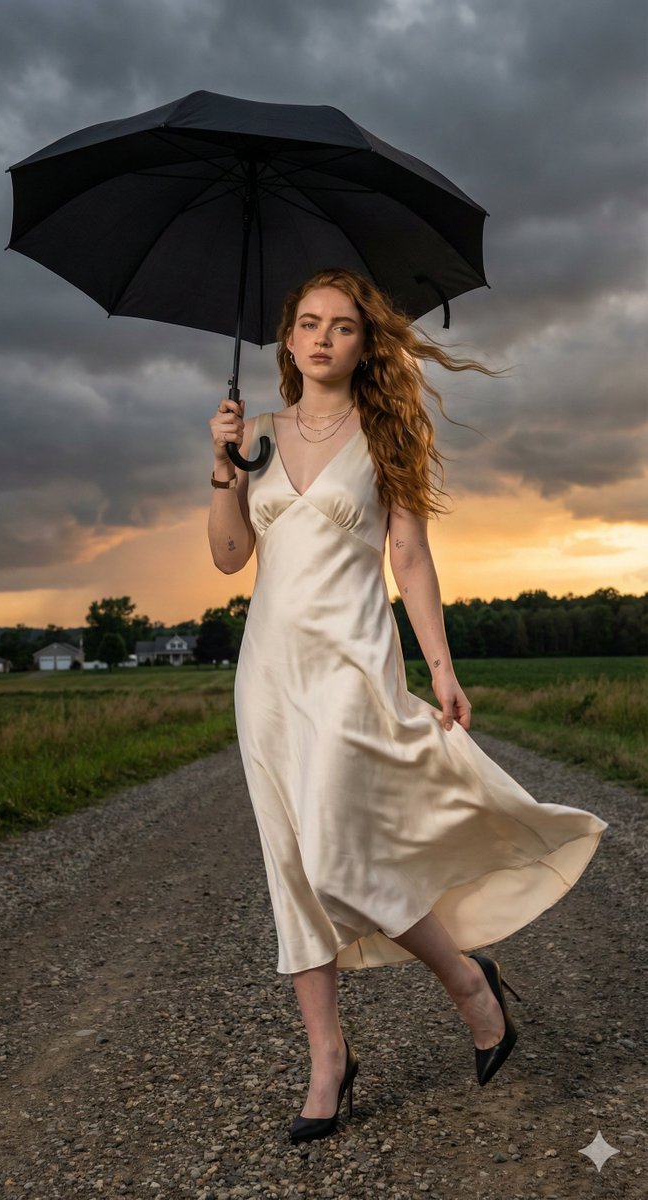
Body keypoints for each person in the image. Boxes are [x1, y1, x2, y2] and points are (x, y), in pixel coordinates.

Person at [207, 268, 607, 1145]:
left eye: (341, 327)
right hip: (267, 679)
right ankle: (327, 1061)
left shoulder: (384, 434)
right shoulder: (258, 438)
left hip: (351, 671)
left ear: (362, 343)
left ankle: (469, 983)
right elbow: (231, 558)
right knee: (292, 868)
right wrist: (223, 468)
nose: (321, 339)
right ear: (286, 339)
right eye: (307, 324)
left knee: (340, 861)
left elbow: (412, 562)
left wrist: (443, 667)